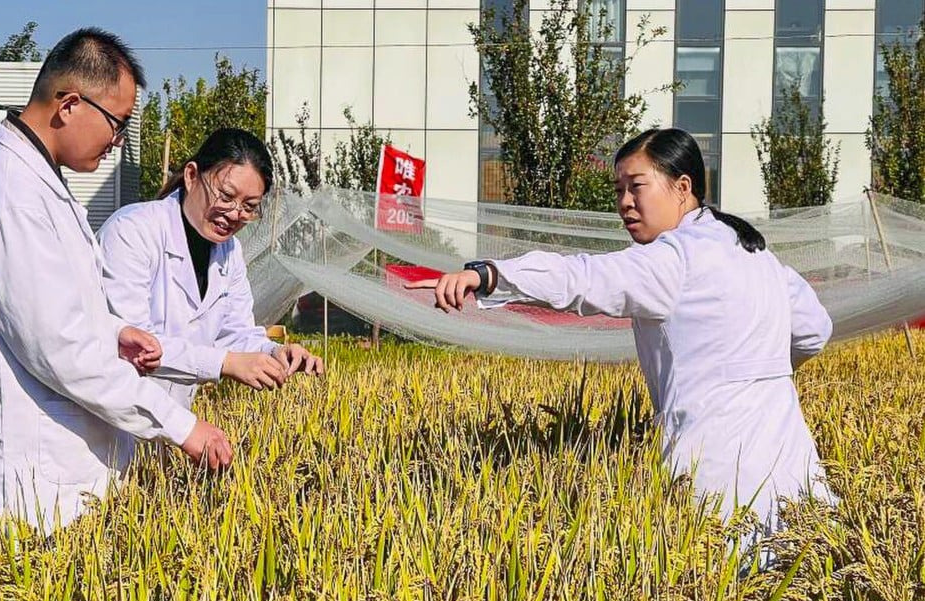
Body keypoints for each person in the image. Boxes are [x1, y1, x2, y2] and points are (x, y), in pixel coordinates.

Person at [408, 128, 833, 535]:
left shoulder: (674, 258)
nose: (625, 202)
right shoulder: (755, 253)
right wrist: (758, 373)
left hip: (716, 468)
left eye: (636, 186)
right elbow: (815, 329)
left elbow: (583, 278)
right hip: (790, 460)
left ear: (682, 187)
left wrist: (490, 275)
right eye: (618, 191)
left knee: (720, 589)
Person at [0, 28, 232, 544]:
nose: (117, 141)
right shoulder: (11, 196)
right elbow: (63, 349)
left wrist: (112, 329)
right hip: (27, 489)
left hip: (54, 474)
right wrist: (180, 426)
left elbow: (50, 308)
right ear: (70, 104)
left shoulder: (38, 182)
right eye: (117, 124)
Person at [96, 128, 323, 417]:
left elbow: (235, 332)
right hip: (114, 419)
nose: (234, 213)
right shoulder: (133, 231)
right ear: (192, 176)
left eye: (249, 207)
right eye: (226, 196)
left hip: (171, 422)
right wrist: (224, 363)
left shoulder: (229, 252)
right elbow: (134, 344)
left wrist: (274, 353)